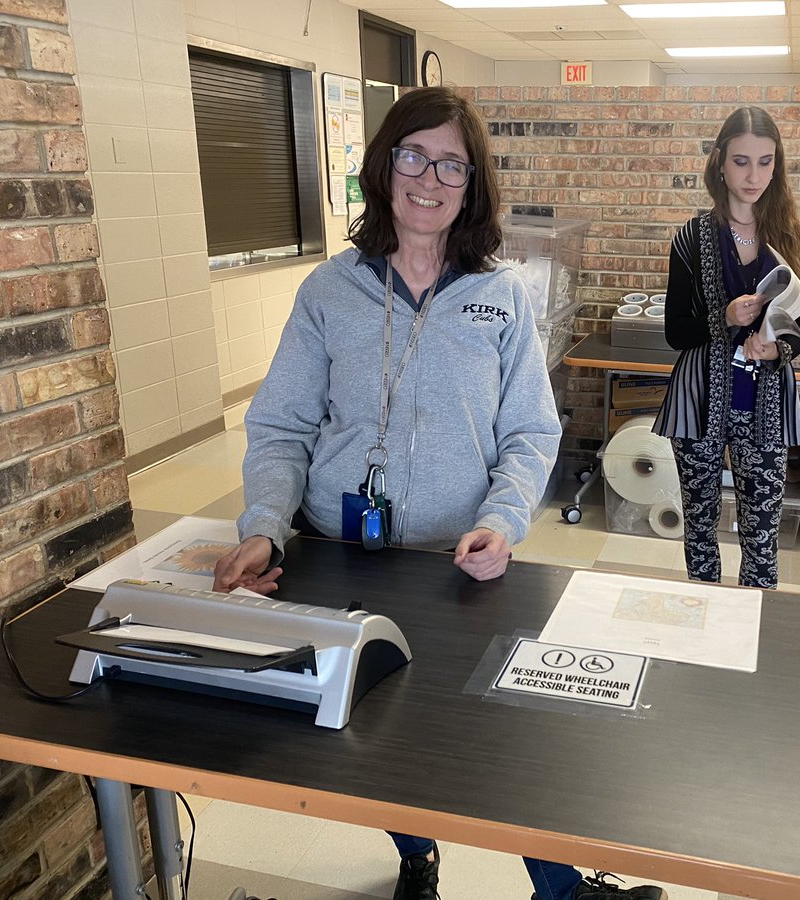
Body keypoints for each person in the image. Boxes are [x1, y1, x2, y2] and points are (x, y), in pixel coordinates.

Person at [212, 87, 664, 900]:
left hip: (462, 564)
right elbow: (279, 427)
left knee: (503, 741)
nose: (429, 178)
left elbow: (530, 432)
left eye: (450, 163)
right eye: (413, 156)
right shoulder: (330, 293)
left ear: (472, 184)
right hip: (340, 554)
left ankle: (562, 890)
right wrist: (264, 527)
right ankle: (416, 858)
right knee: (381, 730)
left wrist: (500, 519)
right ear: (384, 167)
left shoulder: (501, 299)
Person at [653, 106, 800, 589]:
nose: (754, 175)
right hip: (699, 402)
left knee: (762, 532)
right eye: (742, 161)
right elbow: (674, 331)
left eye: (766, 162)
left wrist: (780, 350)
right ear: (720, 162)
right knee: (700, 528)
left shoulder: (798, 238)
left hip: (765, 404)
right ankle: (705, 624)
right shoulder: (691, 237)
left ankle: (756, 630)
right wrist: (722, 317)